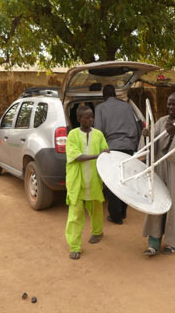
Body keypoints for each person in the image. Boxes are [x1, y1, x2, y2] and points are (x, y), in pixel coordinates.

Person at [142, 92, 175, 257]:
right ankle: (153, 243)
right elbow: (152, 147)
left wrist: (173, 135)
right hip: (159, 170)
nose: (171, 107)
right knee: (156, 202)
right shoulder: (160, 121)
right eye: (169, 104)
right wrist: (147, 136)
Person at [64, 105, 110, 260]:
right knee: (75, 214)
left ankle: (97, 232)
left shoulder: (98, 134)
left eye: (92, 117)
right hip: (77, 181)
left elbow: (106, 151)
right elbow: (76, 156)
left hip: (94, 180)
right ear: (78, 119)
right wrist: (98, 155)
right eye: (87, 117)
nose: (90, 120)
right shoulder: (72, 135)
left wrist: (105, 153)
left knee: (96, 208)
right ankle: (75, 246)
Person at [93, 84, 140, 225]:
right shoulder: (126, 106)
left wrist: (98, 152)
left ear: (104, 96)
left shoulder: (100, 108)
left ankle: (115, 216)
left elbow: (98, 131)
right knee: (124, 180)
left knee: (112, 182)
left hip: (111, 148)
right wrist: (134, 147)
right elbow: (135, 128)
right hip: (128, 147)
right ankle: (123, 212)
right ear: (115, 94)